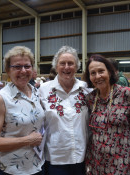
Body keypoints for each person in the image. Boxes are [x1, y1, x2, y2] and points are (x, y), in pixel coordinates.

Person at [0, 46, 45, 175]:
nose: (23, 71)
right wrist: (27, 140)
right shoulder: (1, 98)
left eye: (27, 66)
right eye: (17, 67)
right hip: (11, 170)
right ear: (8, 71)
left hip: (37, 166)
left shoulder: (37, 93)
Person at [39, 46, 91, 175]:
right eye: (62, 63)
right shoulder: (43, 90)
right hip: (55, 158)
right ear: (56, 66)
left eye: (71, 63)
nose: (66, 67)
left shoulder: (85, 89)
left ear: (76, 67)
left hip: (81, 157)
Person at [84, 54, 130, 175]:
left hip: (121, 161)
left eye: (101, 71)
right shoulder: (90, 99)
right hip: (96, 161)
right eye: (93, 73)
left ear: (109, 72)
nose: (98, 76)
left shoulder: (126, 94)